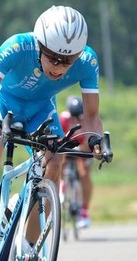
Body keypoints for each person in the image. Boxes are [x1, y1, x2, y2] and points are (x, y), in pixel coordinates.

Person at [0, 5, 105, 261]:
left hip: (41, 111)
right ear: (40, 45)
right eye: (53, 58)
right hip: (2, 107)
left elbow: (91, 117)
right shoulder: (19, 46)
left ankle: (29, 247)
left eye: (68, 61)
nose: (60, 67)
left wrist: (96, 140)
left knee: (54, 162)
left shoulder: (87, 61)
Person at [59, 96, 94, 228]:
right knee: (60, 160)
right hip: (67, 146)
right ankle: (63, 183)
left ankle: (84, 211)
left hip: (82, 147)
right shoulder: (63, 118)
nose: (77, 120)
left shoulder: (85, 119)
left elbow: (88, 139)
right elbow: (58, 138)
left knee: (84, 174)